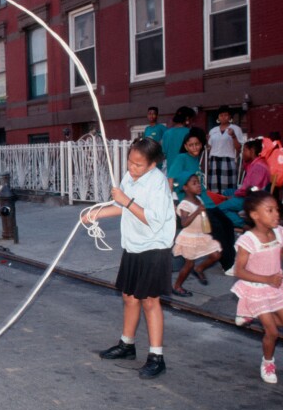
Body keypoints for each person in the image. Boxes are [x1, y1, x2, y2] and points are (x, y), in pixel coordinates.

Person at [83, 138, 175, 379]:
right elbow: (121, 207)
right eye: (130, 163)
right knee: (130, 296)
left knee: (150, 301)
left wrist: (127, 200)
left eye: (138, 165)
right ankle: (127, 345)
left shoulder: (158, 184)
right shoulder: (129, 178)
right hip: (134, 245)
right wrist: (96, 214)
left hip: (154, 247)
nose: (132, 169)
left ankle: (157, 357)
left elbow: (151, 219)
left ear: (153, 164)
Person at [232, 191, 283, 384]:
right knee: (272, 332)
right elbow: (239, 271)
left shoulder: (279, 232)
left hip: (275, 287)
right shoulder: (247, 240)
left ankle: (255, 315)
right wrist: (266, 279)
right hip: (255, 290)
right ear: (255, 215)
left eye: (277, 210)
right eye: (270, 210)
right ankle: (268, 362)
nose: (276, 214)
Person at [167, 128, 236, 270]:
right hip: (195, 204)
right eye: (191, 145)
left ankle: (231, 258)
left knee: (228, 224)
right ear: (185, 146)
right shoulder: (182, 158)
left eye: (197, 144)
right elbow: (171, 179)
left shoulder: (195, 158)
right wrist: (169, 203)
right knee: (217, 231)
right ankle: (228, 265)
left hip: (207, 202)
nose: (194, 147)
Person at [172, 172, 222, 297]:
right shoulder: (185, 204)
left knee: (216, 254)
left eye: (198, 183)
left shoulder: (199, 199)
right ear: (185, 187)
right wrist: (197, 212)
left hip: (201, 235)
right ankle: (177, 286)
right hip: (189, 237)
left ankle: (199, 268)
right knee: (189, 264)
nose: (198, 186)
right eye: (194, 183)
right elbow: (184, 223)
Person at [218, 139, 271, 228]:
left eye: (245, 150)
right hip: (247, 194)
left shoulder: (258, 167)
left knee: (220, 208)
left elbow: (251, 189)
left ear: (252, 151)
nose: (243, 153)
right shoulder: (256, 162)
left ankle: (242, 224)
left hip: (252, 197)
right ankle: (234, 213)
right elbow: (245, 167)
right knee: (226, 192)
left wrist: (235, 196)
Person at [207, 106, 244, 194]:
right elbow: (209, 147)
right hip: (214, 160)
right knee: (214, 187)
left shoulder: (236, 129)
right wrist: (206, 141)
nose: (223, 117)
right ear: (218, 117)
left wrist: (233, 136)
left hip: (228, 160)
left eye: (226, 115)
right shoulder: (213, 130)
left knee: (228, 187)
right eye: (221, 115)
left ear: (230, 117)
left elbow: (238, 148)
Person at [160, 106, 194, 172]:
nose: (192, 122)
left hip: (172, 172)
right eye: (191, 119)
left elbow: (164, 153)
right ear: (187, 118)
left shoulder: (167, 133)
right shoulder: (190, 132)